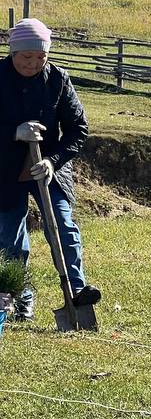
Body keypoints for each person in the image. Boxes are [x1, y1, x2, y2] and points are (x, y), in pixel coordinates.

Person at [1, 18, 101, 323]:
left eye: (41, 57)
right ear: (12, 52)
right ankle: (20, 300)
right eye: (26, 57)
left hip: (48, 167)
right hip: (5, 168)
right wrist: (13, 132)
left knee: (62, 224)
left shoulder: (58, 79)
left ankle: (76, 290)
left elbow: (77, 129)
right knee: (11, 236)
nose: (33, 63)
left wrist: (53, 161)